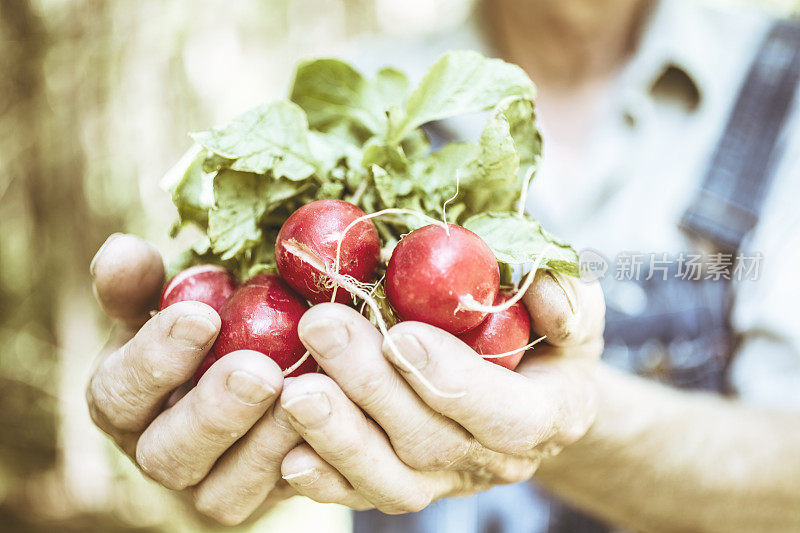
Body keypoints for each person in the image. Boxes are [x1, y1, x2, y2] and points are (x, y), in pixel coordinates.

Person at [86, 0, 800, 532]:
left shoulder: (785, 86)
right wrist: (203, 461)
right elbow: (249, 443)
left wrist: (573, 423)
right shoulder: (360, 98)